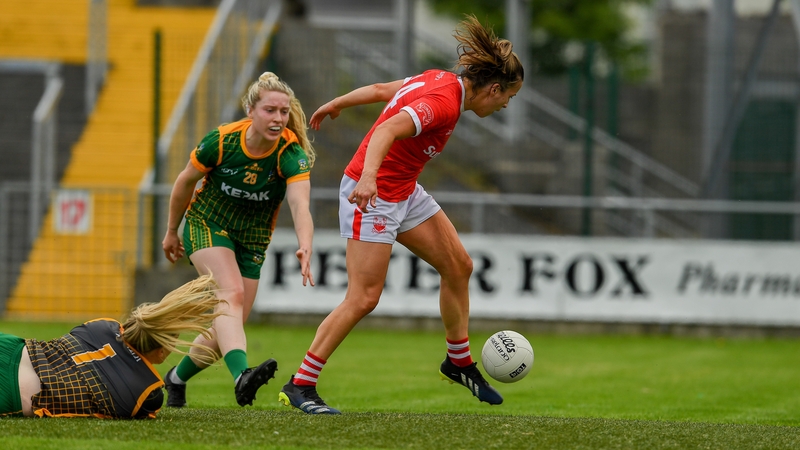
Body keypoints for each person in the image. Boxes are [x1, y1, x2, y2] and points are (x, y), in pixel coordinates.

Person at [278, 15, 524, 414]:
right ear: (494, 88)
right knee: (363, 297)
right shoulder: (444, 103)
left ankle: (458, 361)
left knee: (459, 266)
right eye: (508, 97)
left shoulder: (439, 79)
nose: (505, 105)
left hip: (403, 190)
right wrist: (369, 179)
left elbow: (382, 90)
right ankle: (300, 384)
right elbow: (386, 129)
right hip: (371, 194)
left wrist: (340, 102)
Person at [161, 72, 316, 408]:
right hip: (207, 223)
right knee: (230, 295)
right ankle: (241, 377)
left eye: (283, 112)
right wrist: (172, 231)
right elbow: (184, 182)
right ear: (250, 110)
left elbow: (299, 205)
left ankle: (176, 378)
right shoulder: (221, 141)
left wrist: (305, 244)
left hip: (253, 239)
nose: (278, 119)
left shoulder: (290, 154)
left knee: (229, 325)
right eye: (269, 110)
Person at [0, 275, 224, 419]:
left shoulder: (104, 325)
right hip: (15, 390)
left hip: (13, 347)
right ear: (161, 350)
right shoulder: (148, 393)